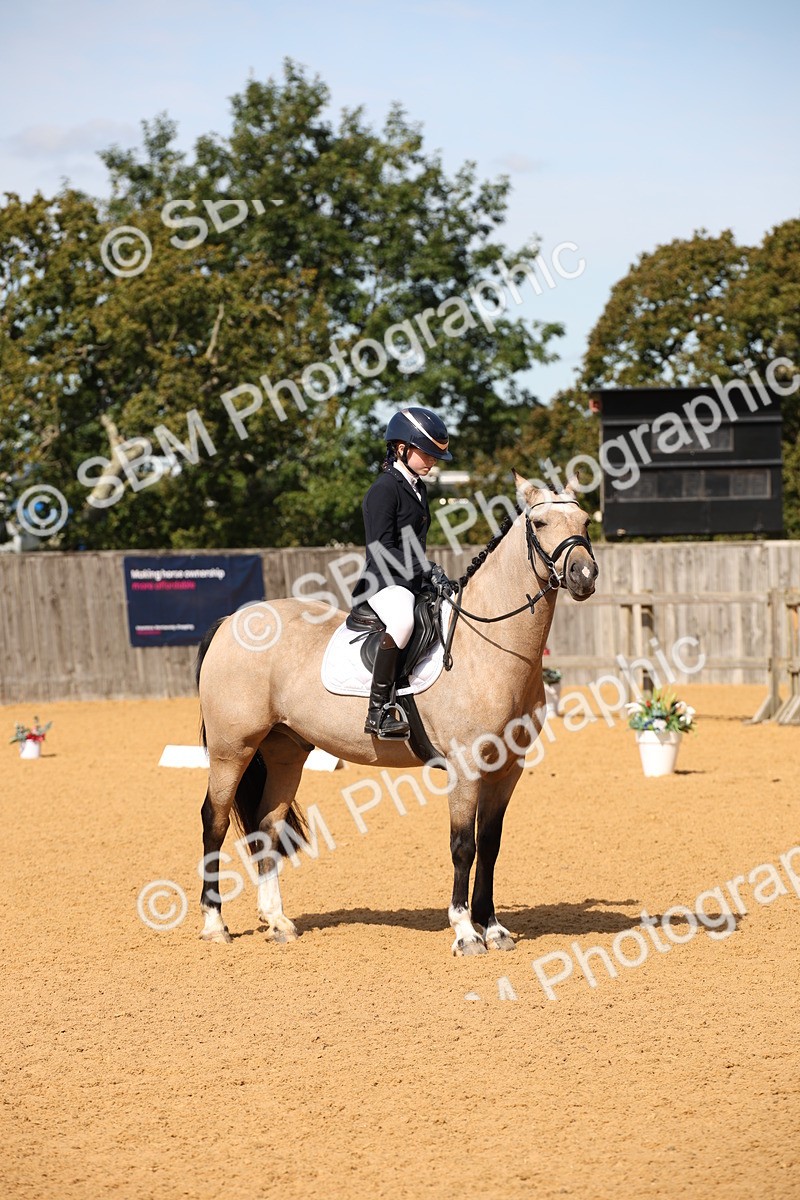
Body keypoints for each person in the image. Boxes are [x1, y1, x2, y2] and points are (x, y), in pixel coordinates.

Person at [351, 407, 453, 738]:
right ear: (401, 449)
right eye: (427, 453)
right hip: (382, 582)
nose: (432, 461)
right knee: (404, 621)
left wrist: (431, 578)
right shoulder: (384, 489)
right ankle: (377, 711)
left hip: (409, 580)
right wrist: (426, 569)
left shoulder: (418, 488)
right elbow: (381, 548)